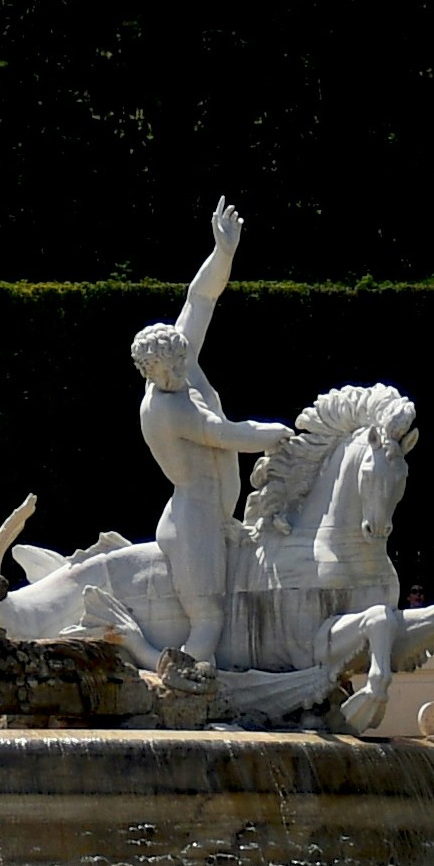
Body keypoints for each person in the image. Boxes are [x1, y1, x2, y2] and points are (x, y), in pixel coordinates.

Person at [132, 200, 293, 669]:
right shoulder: (166, 410)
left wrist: (223, 253)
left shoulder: (182, 362)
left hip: (216, 517)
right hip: (194, 521)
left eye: (178, 364)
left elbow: (199, 299)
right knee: (209, 622)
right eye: (164, 371)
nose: (176, 374)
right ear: (149, 371)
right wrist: (279, 434)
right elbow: (228, 435)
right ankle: (172, 685)